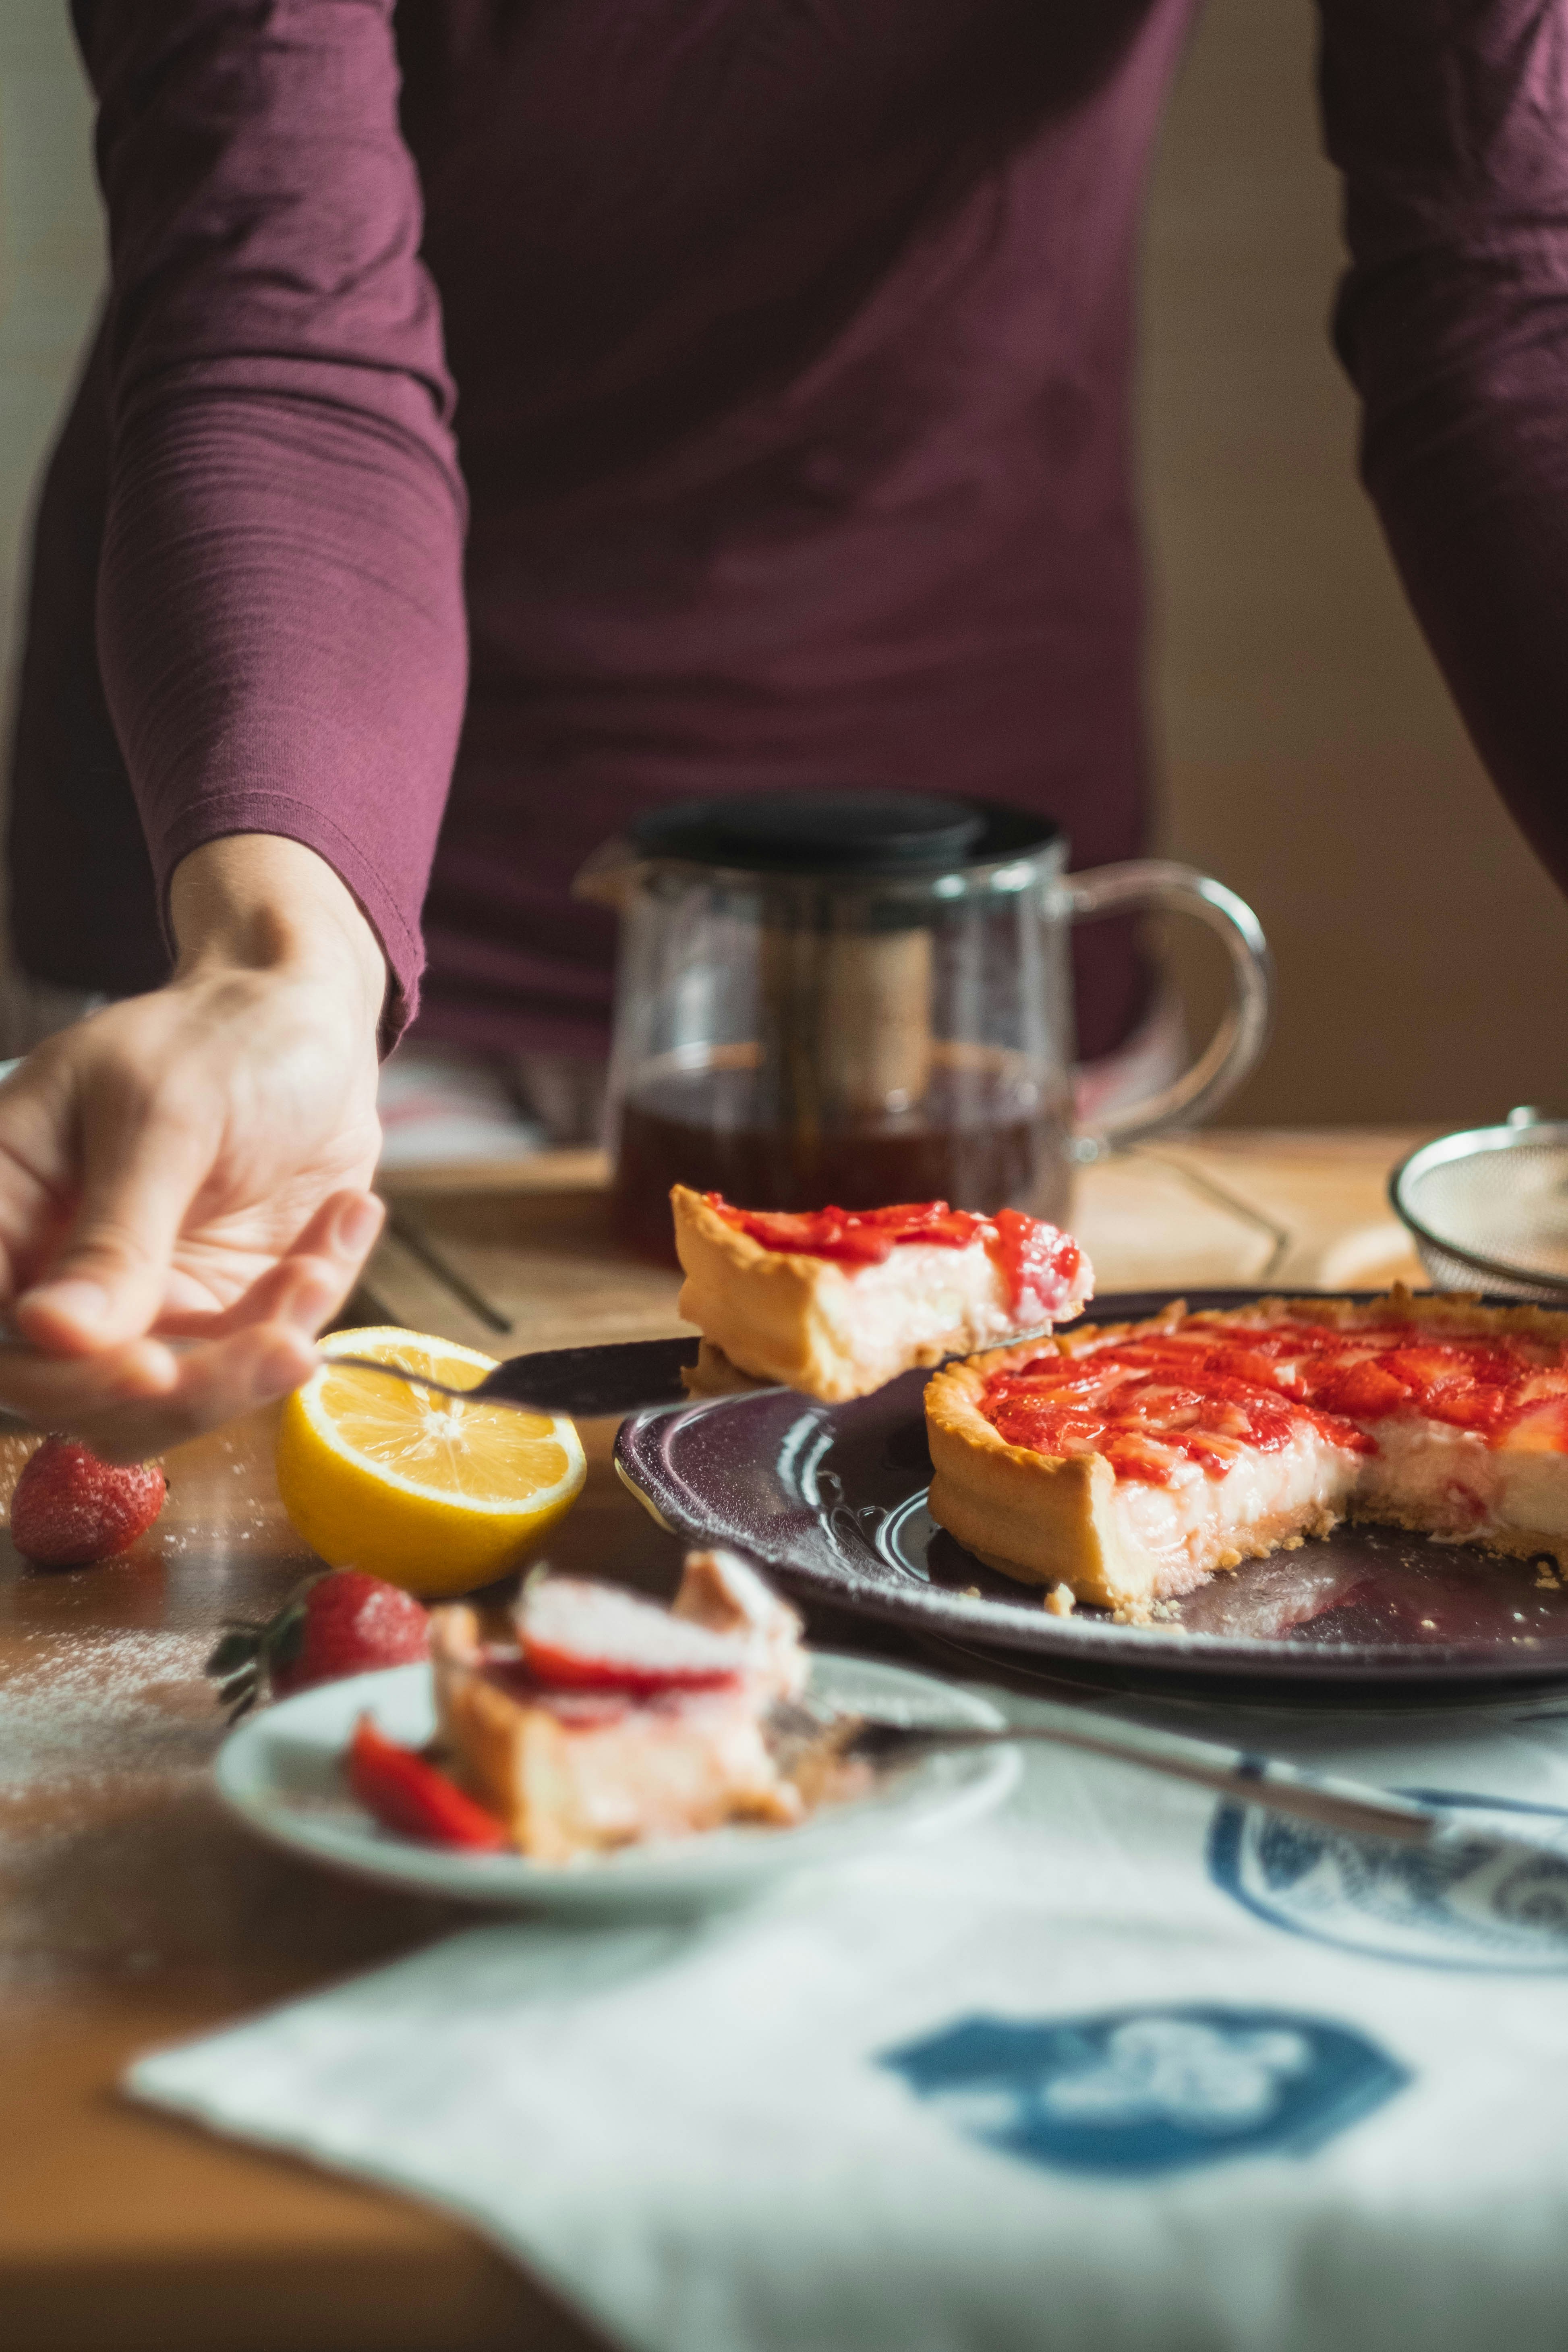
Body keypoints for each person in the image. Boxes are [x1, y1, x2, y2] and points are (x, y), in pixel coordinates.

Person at [2, 0, 1566, 1460]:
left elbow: (1512, 283)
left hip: (954, 965)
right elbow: (284, 311)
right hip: (294, 868)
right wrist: (284, 971)